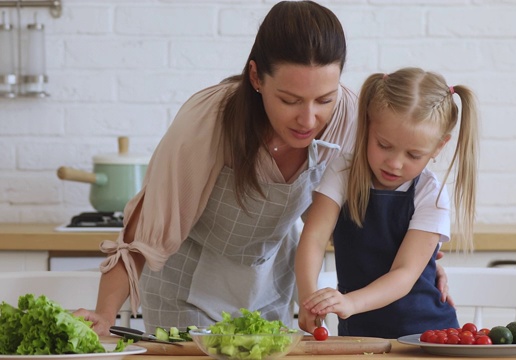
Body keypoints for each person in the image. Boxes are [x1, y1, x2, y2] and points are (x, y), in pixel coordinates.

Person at [74, 2, 451, 336]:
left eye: (324, 98)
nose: (309, 119)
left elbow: (386, 193)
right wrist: (105, 314)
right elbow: (146, 229)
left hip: (272, 280)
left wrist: (425, 263)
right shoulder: (207, 122)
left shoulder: (350, 116)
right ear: (256, 77)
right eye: (289, 100)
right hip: (186, 283)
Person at [295, 67, 478, 339]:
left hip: (426, 336)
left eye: (414, 154)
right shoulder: (342, 173)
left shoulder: (430, 193)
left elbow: (404, 274)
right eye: (383, 145)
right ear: (367, 126)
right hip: (360, 334)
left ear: (439, 147)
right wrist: (309, 298)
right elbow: (314, 237)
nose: (395, 163)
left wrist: (350, 303)